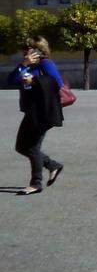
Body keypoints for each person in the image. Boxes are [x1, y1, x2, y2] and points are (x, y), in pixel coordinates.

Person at [7, 36, 65, 196]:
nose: (24, 52)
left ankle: (36, 183)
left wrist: (34, 81)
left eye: (27, 49)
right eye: (24, 49)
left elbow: (58, 83)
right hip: (31, 111)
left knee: (31, 147)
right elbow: (10, 80)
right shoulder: (25, 65)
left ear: (38, 50)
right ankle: (52, 165)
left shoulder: (45, 63)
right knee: (22, 147)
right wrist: (24, 64)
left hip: (42, 112)